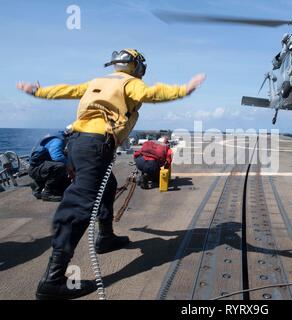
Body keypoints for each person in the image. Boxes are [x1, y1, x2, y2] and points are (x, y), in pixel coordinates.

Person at [17, 48, 206, 300]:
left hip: (76, 144)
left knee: (108, 185)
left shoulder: (98, 81)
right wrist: (183, 90)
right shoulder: (131, 83)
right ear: (137, 67)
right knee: (78, 207)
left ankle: (105, 237)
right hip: (96, 144)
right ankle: (53, 280)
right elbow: (152, 94)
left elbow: (66, 90)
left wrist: (38, 91)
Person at [29, 133, 71, 202]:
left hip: (39, 168)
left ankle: (39, 186)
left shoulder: (56, 140)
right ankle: (47, 193)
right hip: (36, 169)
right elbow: (57, 157)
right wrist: (70, 166)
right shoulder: (57, 141)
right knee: (60, 166)